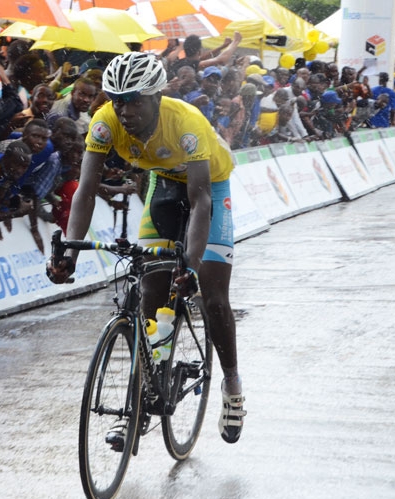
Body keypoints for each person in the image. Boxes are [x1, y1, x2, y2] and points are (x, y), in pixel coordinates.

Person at [47, 52, 246, 444]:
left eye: (134, 99)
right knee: (152, 289)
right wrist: (69, 252)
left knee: (212, 293)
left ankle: (233, 384)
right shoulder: (104, 123)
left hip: (208, 185)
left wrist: (189, 265)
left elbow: (201, 201)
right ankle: (140, 400)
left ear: (157, 96)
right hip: (163, 184)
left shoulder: (186, 123)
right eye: (117, 99)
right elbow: (85, 191)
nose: (124, 110)